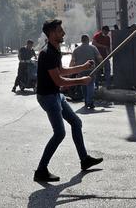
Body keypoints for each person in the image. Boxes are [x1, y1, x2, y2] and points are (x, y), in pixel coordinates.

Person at [34, 19, 102, 183]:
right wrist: (81, 80)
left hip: (56, 95)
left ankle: (84, 159)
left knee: (76, 123)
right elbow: (59, 81)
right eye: (59, 31)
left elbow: (62, 70)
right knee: (59, 133)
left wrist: (83, 67)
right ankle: (41, 170)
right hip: (48, 97)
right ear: (51, 34)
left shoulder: (55, 49)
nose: (63, 33)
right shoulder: (47, 53)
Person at [70, 35, 102, 109]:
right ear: (88, 40)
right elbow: (99, 57)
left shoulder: (76, 49)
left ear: (81, 40)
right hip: (91, 70)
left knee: (83, 85)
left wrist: (70, 72)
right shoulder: (93, 48)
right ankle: (89, 102)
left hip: (81, 71)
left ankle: (86, 101)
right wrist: (101, 65)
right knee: (90, 85)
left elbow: (72, 61)